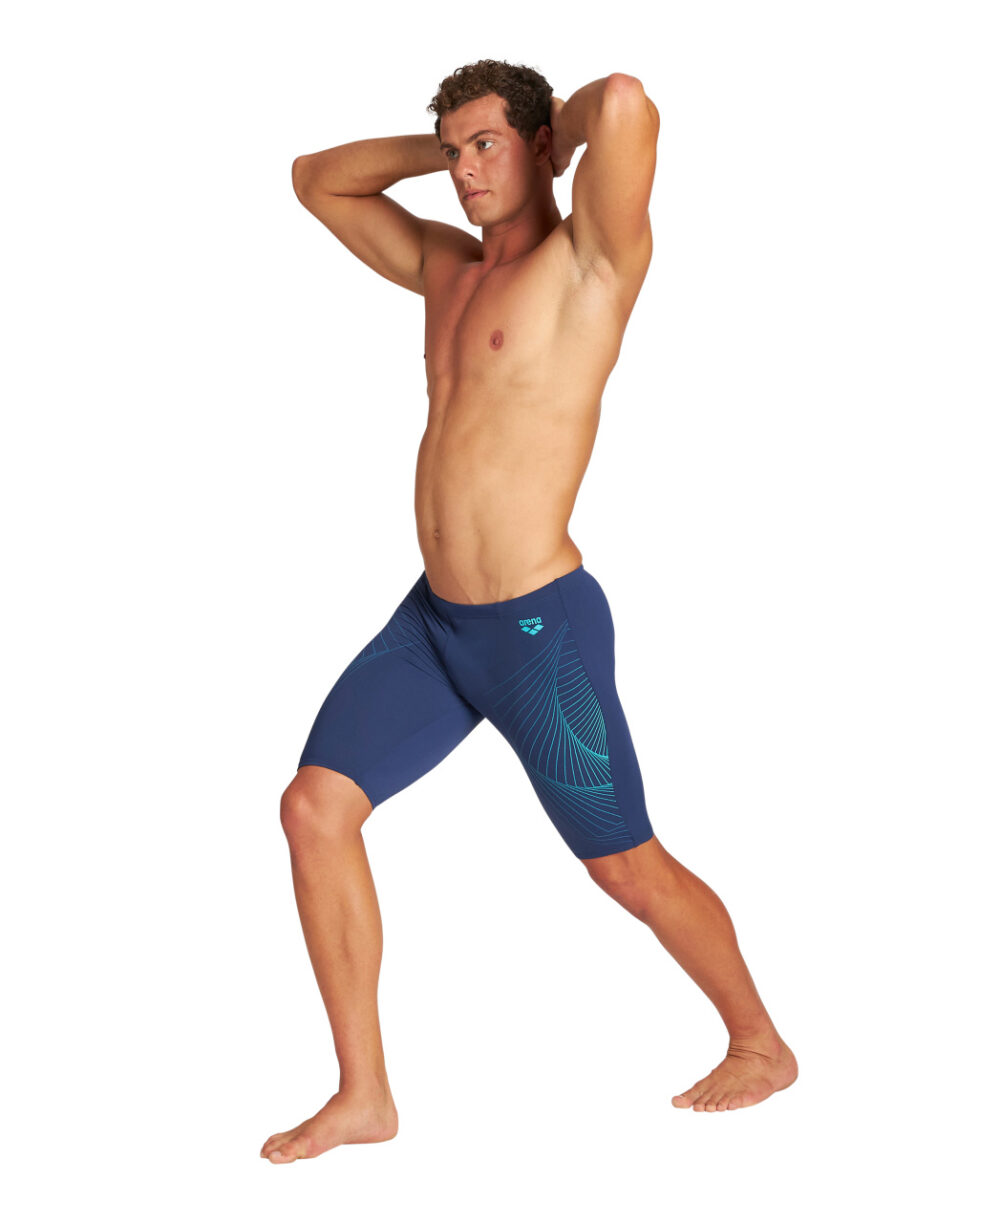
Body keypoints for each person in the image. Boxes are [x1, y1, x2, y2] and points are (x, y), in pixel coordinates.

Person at [262, 59, 797, 1164]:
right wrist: (448, 151)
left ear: (543, 143)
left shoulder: (590, 263)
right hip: (433, 628)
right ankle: (364, 1093)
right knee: (314, 807)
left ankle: (759, 1040)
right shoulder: (444, 267)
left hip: (536, 632)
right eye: (453, 151)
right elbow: (316, 179)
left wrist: (547, 132)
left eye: (485, 146)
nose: (466, 171)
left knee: (625, 866)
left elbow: (627, 102)